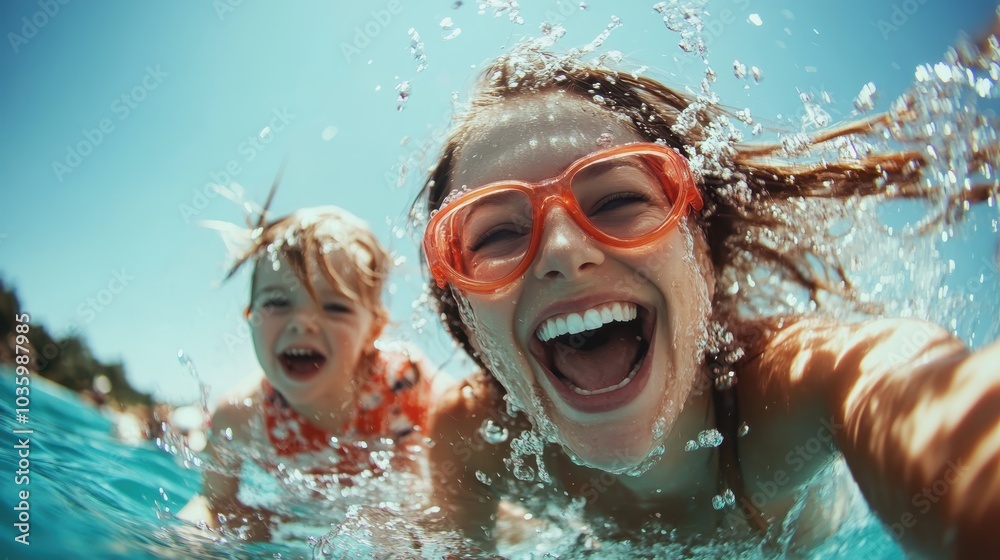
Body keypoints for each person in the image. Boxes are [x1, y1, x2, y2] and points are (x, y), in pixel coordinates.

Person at [415, 43, 1000, 558]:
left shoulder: (799, 385)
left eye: (618, 199)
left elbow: (899, 383)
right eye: (495, 235)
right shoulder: (476, 441)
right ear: (467, 318)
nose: (564, 251)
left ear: (704, 255)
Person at [179, 205, 438, 541]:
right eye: (277, 303)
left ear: (373, 331)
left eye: (335, 307)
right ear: (250, 317)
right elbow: (213, 503)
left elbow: (448, 481)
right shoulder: (240, 418)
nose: (302, 321)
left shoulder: (405, 383)